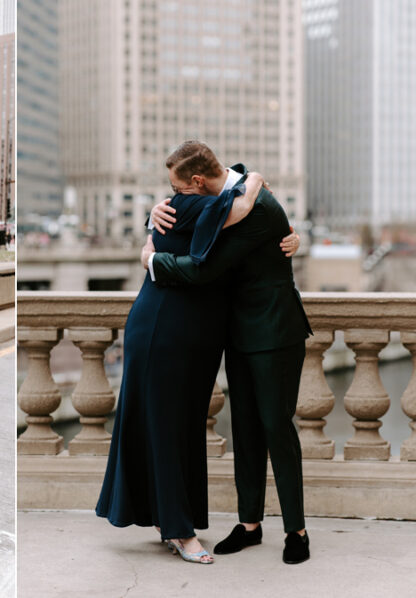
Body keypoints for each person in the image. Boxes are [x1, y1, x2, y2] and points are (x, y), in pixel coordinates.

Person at [145, 140, 313, 565]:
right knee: (245, 428)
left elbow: (204, 268)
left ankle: (298, 531)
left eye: (180, 189)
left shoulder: (256, 207)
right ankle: (250, 525)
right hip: (238, 330)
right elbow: (191, 228)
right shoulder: (231, 195)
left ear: (198, 181)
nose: (178, 196)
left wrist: (149, 260)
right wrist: (154, 217)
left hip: (275, 329)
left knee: (277, 426)